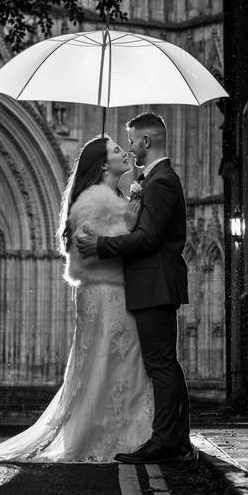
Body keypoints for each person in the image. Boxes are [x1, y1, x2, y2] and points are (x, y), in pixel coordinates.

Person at [0, 136, 154, 464]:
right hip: (108, 295)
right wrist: (134, 226)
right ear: (103, 164)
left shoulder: (108, 197)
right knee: (107, 366)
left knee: (108, 367)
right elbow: (95, 251)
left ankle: (117, 432)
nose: (126, 152)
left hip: (109, 294)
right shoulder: (96, 200)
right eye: (117, 150)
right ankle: (111, 435)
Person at [76, 113, 194, 464]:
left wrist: (100, 246)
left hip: (154, 283)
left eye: (131, 141)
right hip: (153, 283)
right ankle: (176, 438)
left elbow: (148, 238)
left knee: (160, 364)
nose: (129, 147)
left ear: (146, 141)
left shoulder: (160, 182)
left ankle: (165, 441)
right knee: (165, 363)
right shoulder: (155, 179)